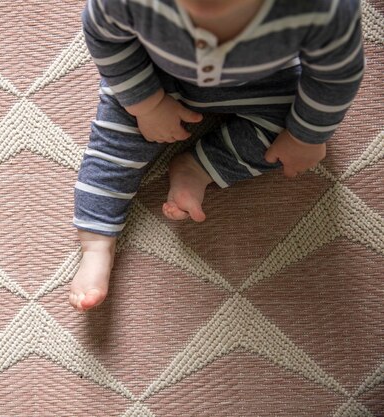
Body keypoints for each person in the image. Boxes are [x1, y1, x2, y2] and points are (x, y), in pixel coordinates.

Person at [69, 0, 365, 312]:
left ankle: (199, 167)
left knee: (292, 143)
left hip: (264, 83)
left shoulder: (324, 9)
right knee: (114, 143)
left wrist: (306, 136)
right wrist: (146, 104)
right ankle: (96, 241)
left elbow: (337, 75)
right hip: (156, 77)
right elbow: (104, 35)